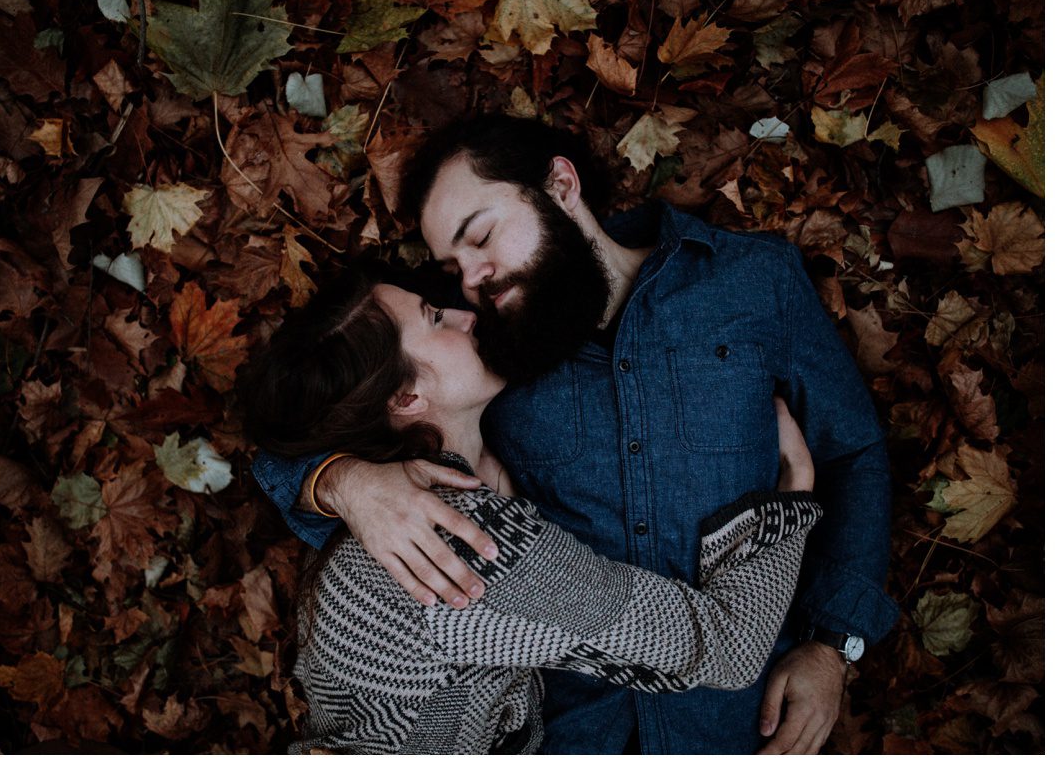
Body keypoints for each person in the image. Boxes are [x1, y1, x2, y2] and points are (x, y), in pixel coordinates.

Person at [252, 115, 898, 754]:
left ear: (560, 184)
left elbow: (854, 448)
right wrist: (348, 483)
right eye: (452, 270)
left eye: (481, 237)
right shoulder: (490, 359)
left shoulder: (753, 282)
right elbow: (311, 424)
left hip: (733, 728)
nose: (471, 283)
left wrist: (834, 644)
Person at [244, 269, 821, 754]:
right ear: (405, 399)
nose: (465, 314)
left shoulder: (394, 520)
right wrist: (791, 499)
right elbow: (729, 646)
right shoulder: (468, 544)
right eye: (435, 318)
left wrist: (344, 479)